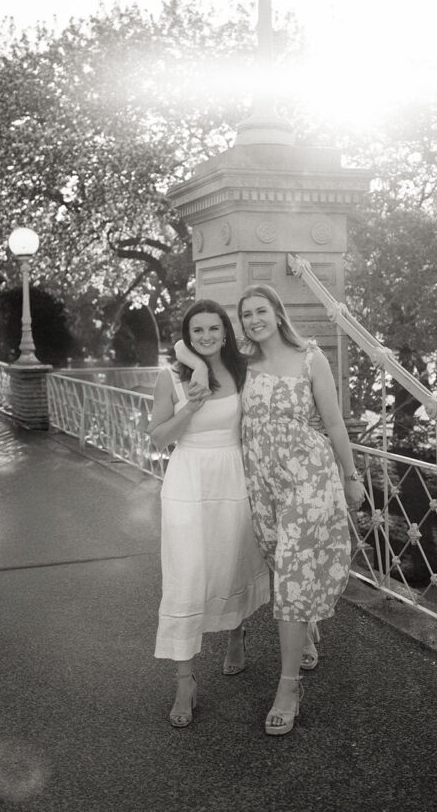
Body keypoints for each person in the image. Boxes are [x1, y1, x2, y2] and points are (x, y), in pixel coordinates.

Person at [237, 284, 365, 736]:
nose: (255, 320)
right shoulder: (242, 364)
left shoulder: (312, 357)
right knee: (279, 560)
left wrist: (351, 475)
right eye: (247, 314)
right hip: (261, 479)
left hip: (309, 477)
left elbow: (332, 421)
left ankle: (287, 687)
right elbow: (188, 350)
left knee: (291, 572)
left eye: (261, 311)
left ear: (277, 311)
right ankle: (305, 630)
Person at [149, 299, 270, 728]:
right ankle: (185, 681)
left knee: (233, 561)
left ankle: (237, 632)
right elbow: (160, 439)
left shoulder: (243, 371)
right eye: (196, 331)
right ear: (188, 334)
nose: (206, 337)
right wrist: (191, 405)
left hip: (234, 476)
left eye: (213, 329)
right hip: (188, 480)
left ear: (225, 332)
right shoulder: (171, 377)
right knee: (186, 574)